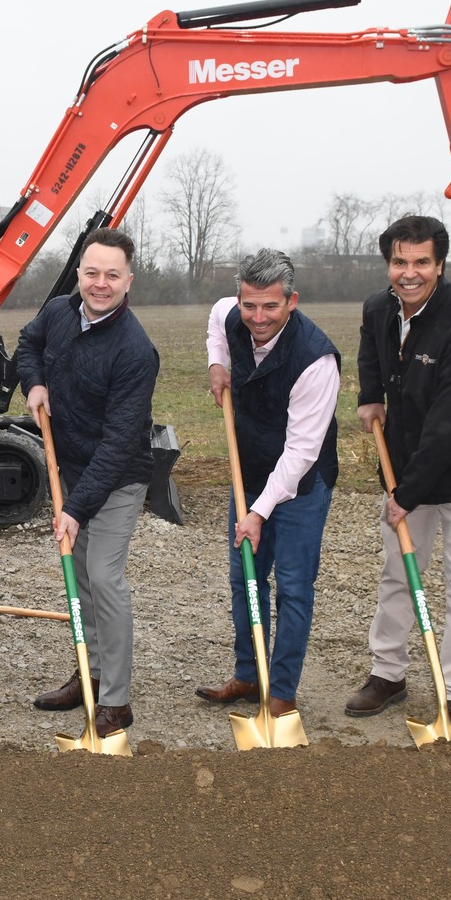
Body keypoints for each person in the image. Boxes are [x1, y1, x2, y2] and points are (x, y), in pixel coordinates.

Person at [347, 214, 451, 724]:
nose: (408, 273)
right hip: (404, 469)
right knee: (397, 573)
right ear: (388, 263)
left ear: (440, 265)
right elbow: (372, 354)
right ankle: (388, 674)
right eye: (399, 262)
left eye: (421, 262)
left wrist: (405, 494)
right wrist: (370, 397)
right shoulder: (379, 309)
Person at [14, 228, 159, 736]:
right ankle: (89, 674)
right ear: (79, 273)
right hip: (70, 466)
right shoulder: (58, 311)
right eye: (92, 273)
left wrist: (75, 510)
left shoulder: (136, 351)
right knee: (78, 578)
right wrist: (33, 383)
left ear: (128, 281)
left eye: (112, 275)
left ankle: (116, 702)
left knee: (103, 575)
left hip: (117, 477)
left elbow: (120, 445)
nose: (100, 284)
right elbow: (27, 343)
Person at [196, 250, 339, 717]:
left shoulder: (315, 360)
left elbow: (300, 452)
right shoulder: (229, 312)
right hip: (250, 469)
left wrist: (259, 512)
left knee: (294, 587)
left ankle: (281, 694)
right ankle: (248, 674)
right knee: (246, 579)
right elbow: (218, 321)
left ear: (291, 301)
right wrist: (218, 362)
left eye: (270, 307)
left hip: (301, 483)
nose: (257, 317)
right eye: (250, 305)